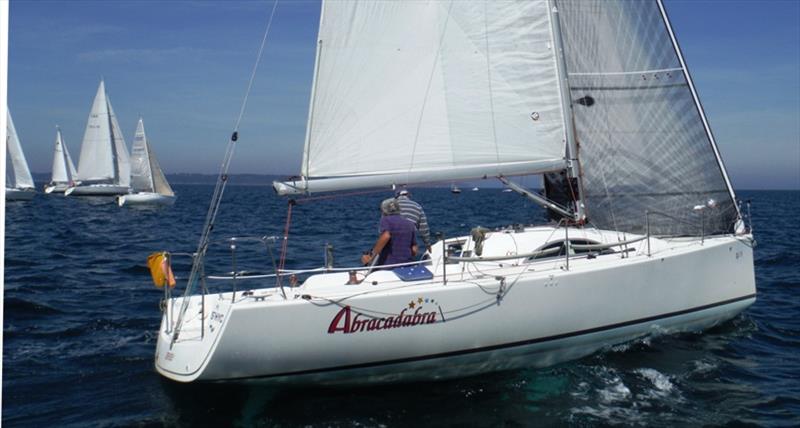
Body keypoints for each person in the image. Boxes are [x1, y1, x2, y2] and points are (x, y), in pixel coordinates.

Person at [361, 198, 417, 267]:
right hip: (407, 264)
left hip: (390, 265)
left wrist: (371, 256)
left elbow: (386, 236)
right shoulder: (410, 224)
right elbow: (414, 250)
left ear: (383, 211)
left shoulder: (386, 220)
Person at [395, 189, 432, 253]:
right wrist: (428, 244)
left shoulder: (390, 205)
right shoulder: (417, 206)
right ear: (408, 196)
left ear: (396, 196)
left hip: (392, 238)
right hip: (409, 239)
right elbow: (424, 229)